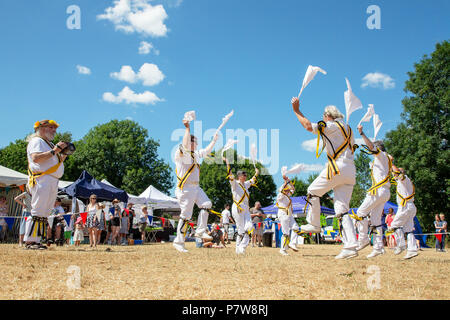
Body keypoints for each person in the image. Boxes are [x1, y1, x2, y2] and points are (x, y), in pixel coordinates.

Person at [291, 97, 358, 260]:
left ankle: (314, 224)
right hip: (350, 170)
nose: (323, 116)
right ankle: (350, 246)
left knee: (312, 191)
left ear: (328, 115)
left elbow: (308, 126)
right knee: (342, 209)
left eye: (324, 114)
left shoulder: (332, 126)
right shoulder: (348, 128)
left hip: (337, 167)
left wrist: (296, 110)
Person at [172, 117, 219, 253]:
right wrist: (187, 128)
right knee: (186, 215)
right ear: (189, 142)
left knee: (206, 204)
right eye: (195, 142)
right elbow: (185, 144)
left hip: (196, 188)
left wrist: (214, 141)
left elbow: (206, 151)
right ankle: (179, 242)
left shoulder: (196, 155)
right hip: (185, 188)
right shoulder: (181, 153)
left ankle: (200, 231)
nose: (197, 145)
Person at [24, 119, 68, 250]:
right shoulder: (37, 141)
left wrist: (63, 153)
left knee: (45, 211)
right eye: (51, 128)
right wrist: (55, 150)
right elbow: (36, 158)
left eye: (55, 128)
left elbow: (53, 160)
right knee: (38, 209)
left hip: (50, 179)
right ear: (41, 129)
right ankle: (30, 241)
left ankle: (37, 240)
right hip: (42, 179)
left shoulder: (48, 143)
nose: (54, 131)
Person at [352, 124, 393, 259]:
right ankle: (378, 247)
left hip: (378, 191)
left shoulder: (381, 156)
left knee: (360, 213)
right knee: (375, 220)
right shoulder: (385, 158)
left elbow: (371, 147)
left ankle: (363, 238)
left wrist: (362, 133)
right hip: (385, 191)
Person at [223, 156, 259, 254]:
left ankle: (241, 246)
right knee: (241, 230)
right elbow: (230, 175)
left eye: (246, 175)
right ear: (239, 176)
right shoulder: (235, 184)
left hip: (246, 208)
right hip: (237, 207)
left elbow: (253, 180)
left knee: (250, 227)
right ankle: (239, 249)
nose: (245, 176)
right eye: (244, 175)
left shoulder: (245, 184)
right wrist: (227, 163)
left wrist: (257, 172)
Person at [388, 165, 419, 259]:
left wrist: (391, 162)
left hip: (405, 207)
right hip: (410, 206)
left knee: (393, 226)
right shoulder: (403, 182)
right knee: (409, 230)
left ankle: (401, 245)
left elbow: (397, 173)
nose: (394, 176)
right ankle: (412, 250)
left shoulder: (404, 179)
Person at [277, 175, 301, 255]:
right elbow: (283, 190)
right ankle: (282, 249)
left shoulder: (287, 195)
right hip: (283, 214)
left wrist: (288, 181)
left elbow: (293, 189)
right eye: (286, 189)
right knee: (285, 232)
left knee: (296, 228)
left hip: (289, 214)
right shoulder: (280, 195)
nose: (288, 190)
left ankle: (292, 243)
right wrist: (285, 182)